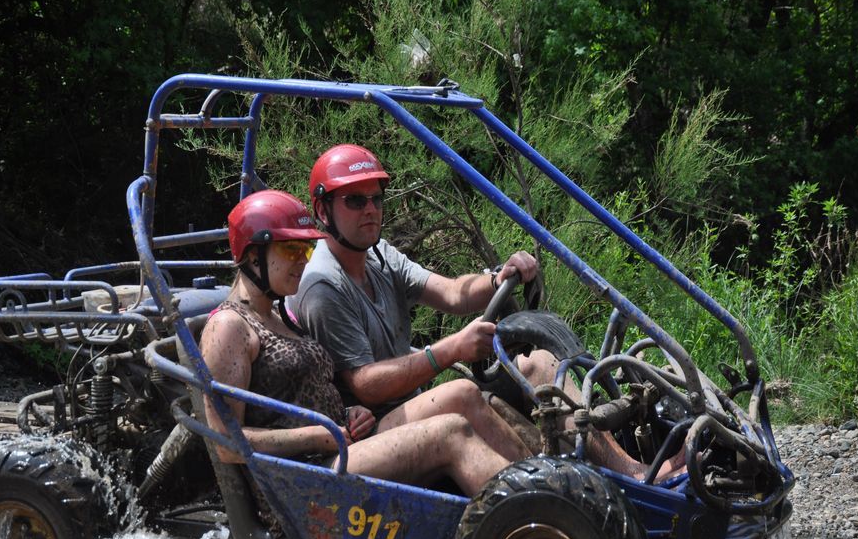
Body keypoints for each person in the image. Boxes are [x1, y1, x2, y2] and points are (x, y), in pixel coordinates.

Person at [288, 143, 684, 481]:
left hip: (405, 405)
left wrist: (498, 278)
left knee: (540, 365)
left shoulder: (377, 254)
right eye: (355, 200)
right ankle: (557, 494)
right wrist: (449, 351)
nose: (370, 210)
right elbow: (365, 385)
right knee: (461, 391)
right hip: (369, 427)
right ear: (323, 210)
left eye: (376, 198)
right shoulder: (324, 283)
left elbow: (451, 293)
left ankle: (632, 472)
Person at [199, 189, 531, 497]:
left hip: (339, 450)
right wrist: (317, 435)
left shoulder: (276, 315)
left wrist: (346, 413)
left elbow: (301, 395)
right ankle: (537, 513)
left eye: (307, 248)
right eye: (291, 249)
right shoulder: (228, 326)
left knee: (463, 392)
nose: (303, 260)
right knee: (450, 432)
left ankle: (542, 484)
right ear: (254, 257)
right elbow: (225, 442)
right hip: (303, 479)